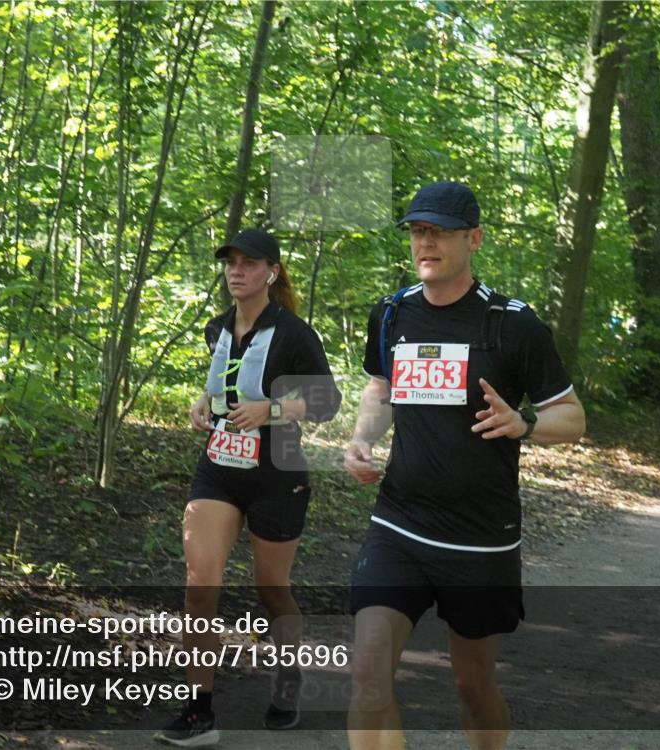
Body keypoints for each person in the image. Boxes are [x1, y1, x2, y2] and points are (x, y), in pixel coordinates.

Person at [343, 181, 585, 750]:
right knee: (366, 675)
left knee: (472, 685)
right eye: (418, 232)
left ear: (473, 239)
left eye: (440, 233)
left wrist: (524, 424)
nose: (425, 243)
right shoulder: (391, 313)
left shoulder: (512, 324)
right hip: (399, 523)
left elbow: (571, 418)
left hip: (480, 538)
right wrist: (361, 439)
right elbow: (380, 389)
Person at [154, 228, 342, 747]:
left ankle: (287, 680)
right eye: (231, 263)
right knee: (200, 585)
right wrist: (202, 403)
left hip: (276, 475)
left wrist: (272, 410)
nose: (236, 271)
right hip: (217, 468)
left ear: (272, 273)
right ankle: (199, 710)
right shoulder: (217, 329)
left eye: (249, 263)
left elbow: (328, 403)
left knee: (272, 592)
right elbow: (224, 389)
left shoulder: (294, 334)